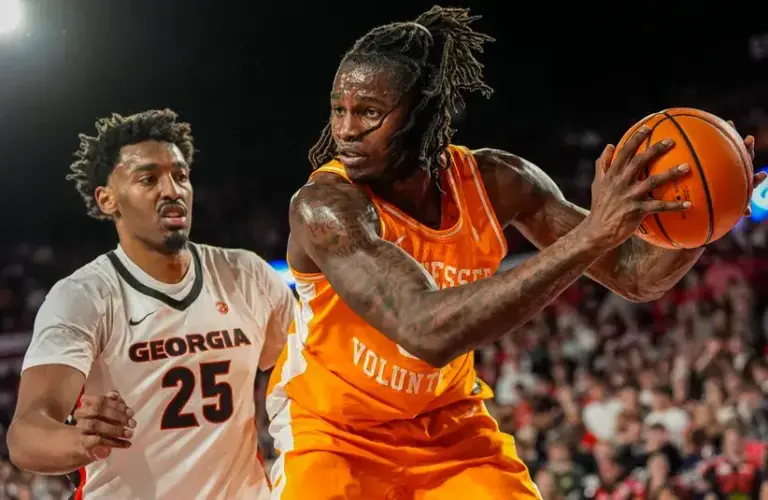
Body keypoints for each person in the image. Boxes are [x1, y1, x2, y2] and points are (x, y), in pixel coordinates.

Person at [267, 6, 761, 500]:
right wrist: (593, 234)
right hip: (333, 432)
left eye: (369, 112)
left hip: (446, 426)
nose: (346, 130)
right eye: (338, 110)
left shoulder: (496, 182)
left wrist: (703, 218)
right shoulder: (323, 207)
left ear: (423, 111)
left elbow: (635, 275)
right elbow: (423, 331)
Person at [7, 109, 294, 499]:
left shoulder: (248, 275)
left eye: (180, 176)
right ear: (108, 200)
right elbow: (25, 436)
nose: (172, 190)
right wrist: (80, 440)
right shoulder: (83, 296)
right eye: (148, 179)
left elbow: (303, 378)